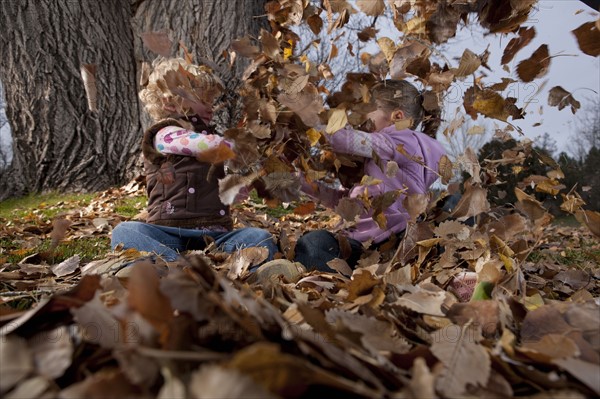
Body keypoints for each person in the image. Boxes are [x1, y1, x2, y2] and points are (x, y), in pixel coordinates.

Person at [111, 58, 278, 263]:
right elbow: (197, 144)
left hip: (214, 236)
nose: (211, 107)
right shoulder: (166, 133)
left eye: (212, 100)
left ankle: (244, 270)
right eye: (204, 99)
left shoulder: (211, 141)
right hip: (167, 232)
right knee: (126, 232)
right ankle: (173, 266)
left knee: (259, 238)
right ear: (169, 102)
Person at [294, 79, 446, 272]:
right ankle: (330, 283)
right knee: (313, 242)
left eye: (366, 112)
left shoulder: (403, 142)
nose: (358, 119)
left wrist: (308, 116)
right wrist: (303, 183)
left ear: (397, 117)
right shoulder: (369, 161)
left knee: (434, 237)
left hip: (395, 241)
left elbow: (341, 139)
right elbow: (345, 202)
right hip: (354, 243)